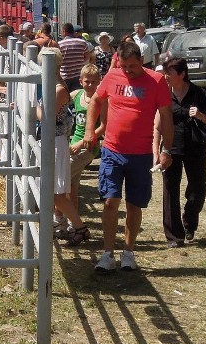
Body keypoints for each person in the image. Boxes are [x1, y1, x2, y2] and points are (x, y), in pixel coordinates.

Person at [83, 42, 174, 272]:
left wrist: (167, 149)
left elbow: (166, 116)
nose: (128, 71)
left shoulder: (156, 81)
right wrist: (89, 131)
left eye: (132, 66)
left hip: (141, 155)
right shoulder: (112, 76)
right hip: (113, 150)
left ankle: (128, 252)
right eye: (124, 66)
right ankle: (107, 254)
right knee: (110, 201)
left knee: (135, 204)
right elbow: (95, 100)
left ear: (141, 61)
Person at [161, 57, 206, 247]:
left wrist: (201, 115)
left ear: (182, 74)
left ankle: (189, 221)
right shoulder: (164, 93)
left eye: (169, 74)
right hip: (171, 148)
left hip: (195, 147)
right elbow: (157, 124)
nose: (166, 77)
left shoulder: (198, 93)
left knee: (198, 190)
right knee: (170, 190)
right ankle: (174, 236)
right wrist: (159, 149)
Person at [37, 47, 91, 246]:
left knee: (57, 193)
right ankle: (76, 227)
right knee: (55, 192)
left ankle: (79, 227)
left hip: (57, 143)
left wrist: (32, 105)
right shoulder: (52, 85)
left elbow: (45, 118)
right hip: (53, 141)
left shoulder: (59, 89)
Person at [54, 63, 105, 238]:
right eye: (87, 81)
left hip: (88, 147)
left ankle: (60, 219)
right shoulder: (77, 95)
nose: (90, 85)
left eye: (94, 82)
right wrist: (57, 74)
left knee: (60, 184)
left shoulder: (101, 99)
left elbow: (104, 126)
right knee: (71, 187)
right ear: (81, 81)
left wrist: (85, 141)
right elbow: (64, 94)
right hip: (73, 143)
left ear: (99, 82)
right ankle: (71, 223)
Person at [59, 22, 92, 91]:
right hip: (79, 76)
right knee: (77, 97)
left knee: (65, 99)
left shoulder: (60, 44)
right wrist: (80, 64)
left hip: (65, 77)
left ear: (64, 31)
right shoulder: (83, 43)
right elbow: (87, 57)